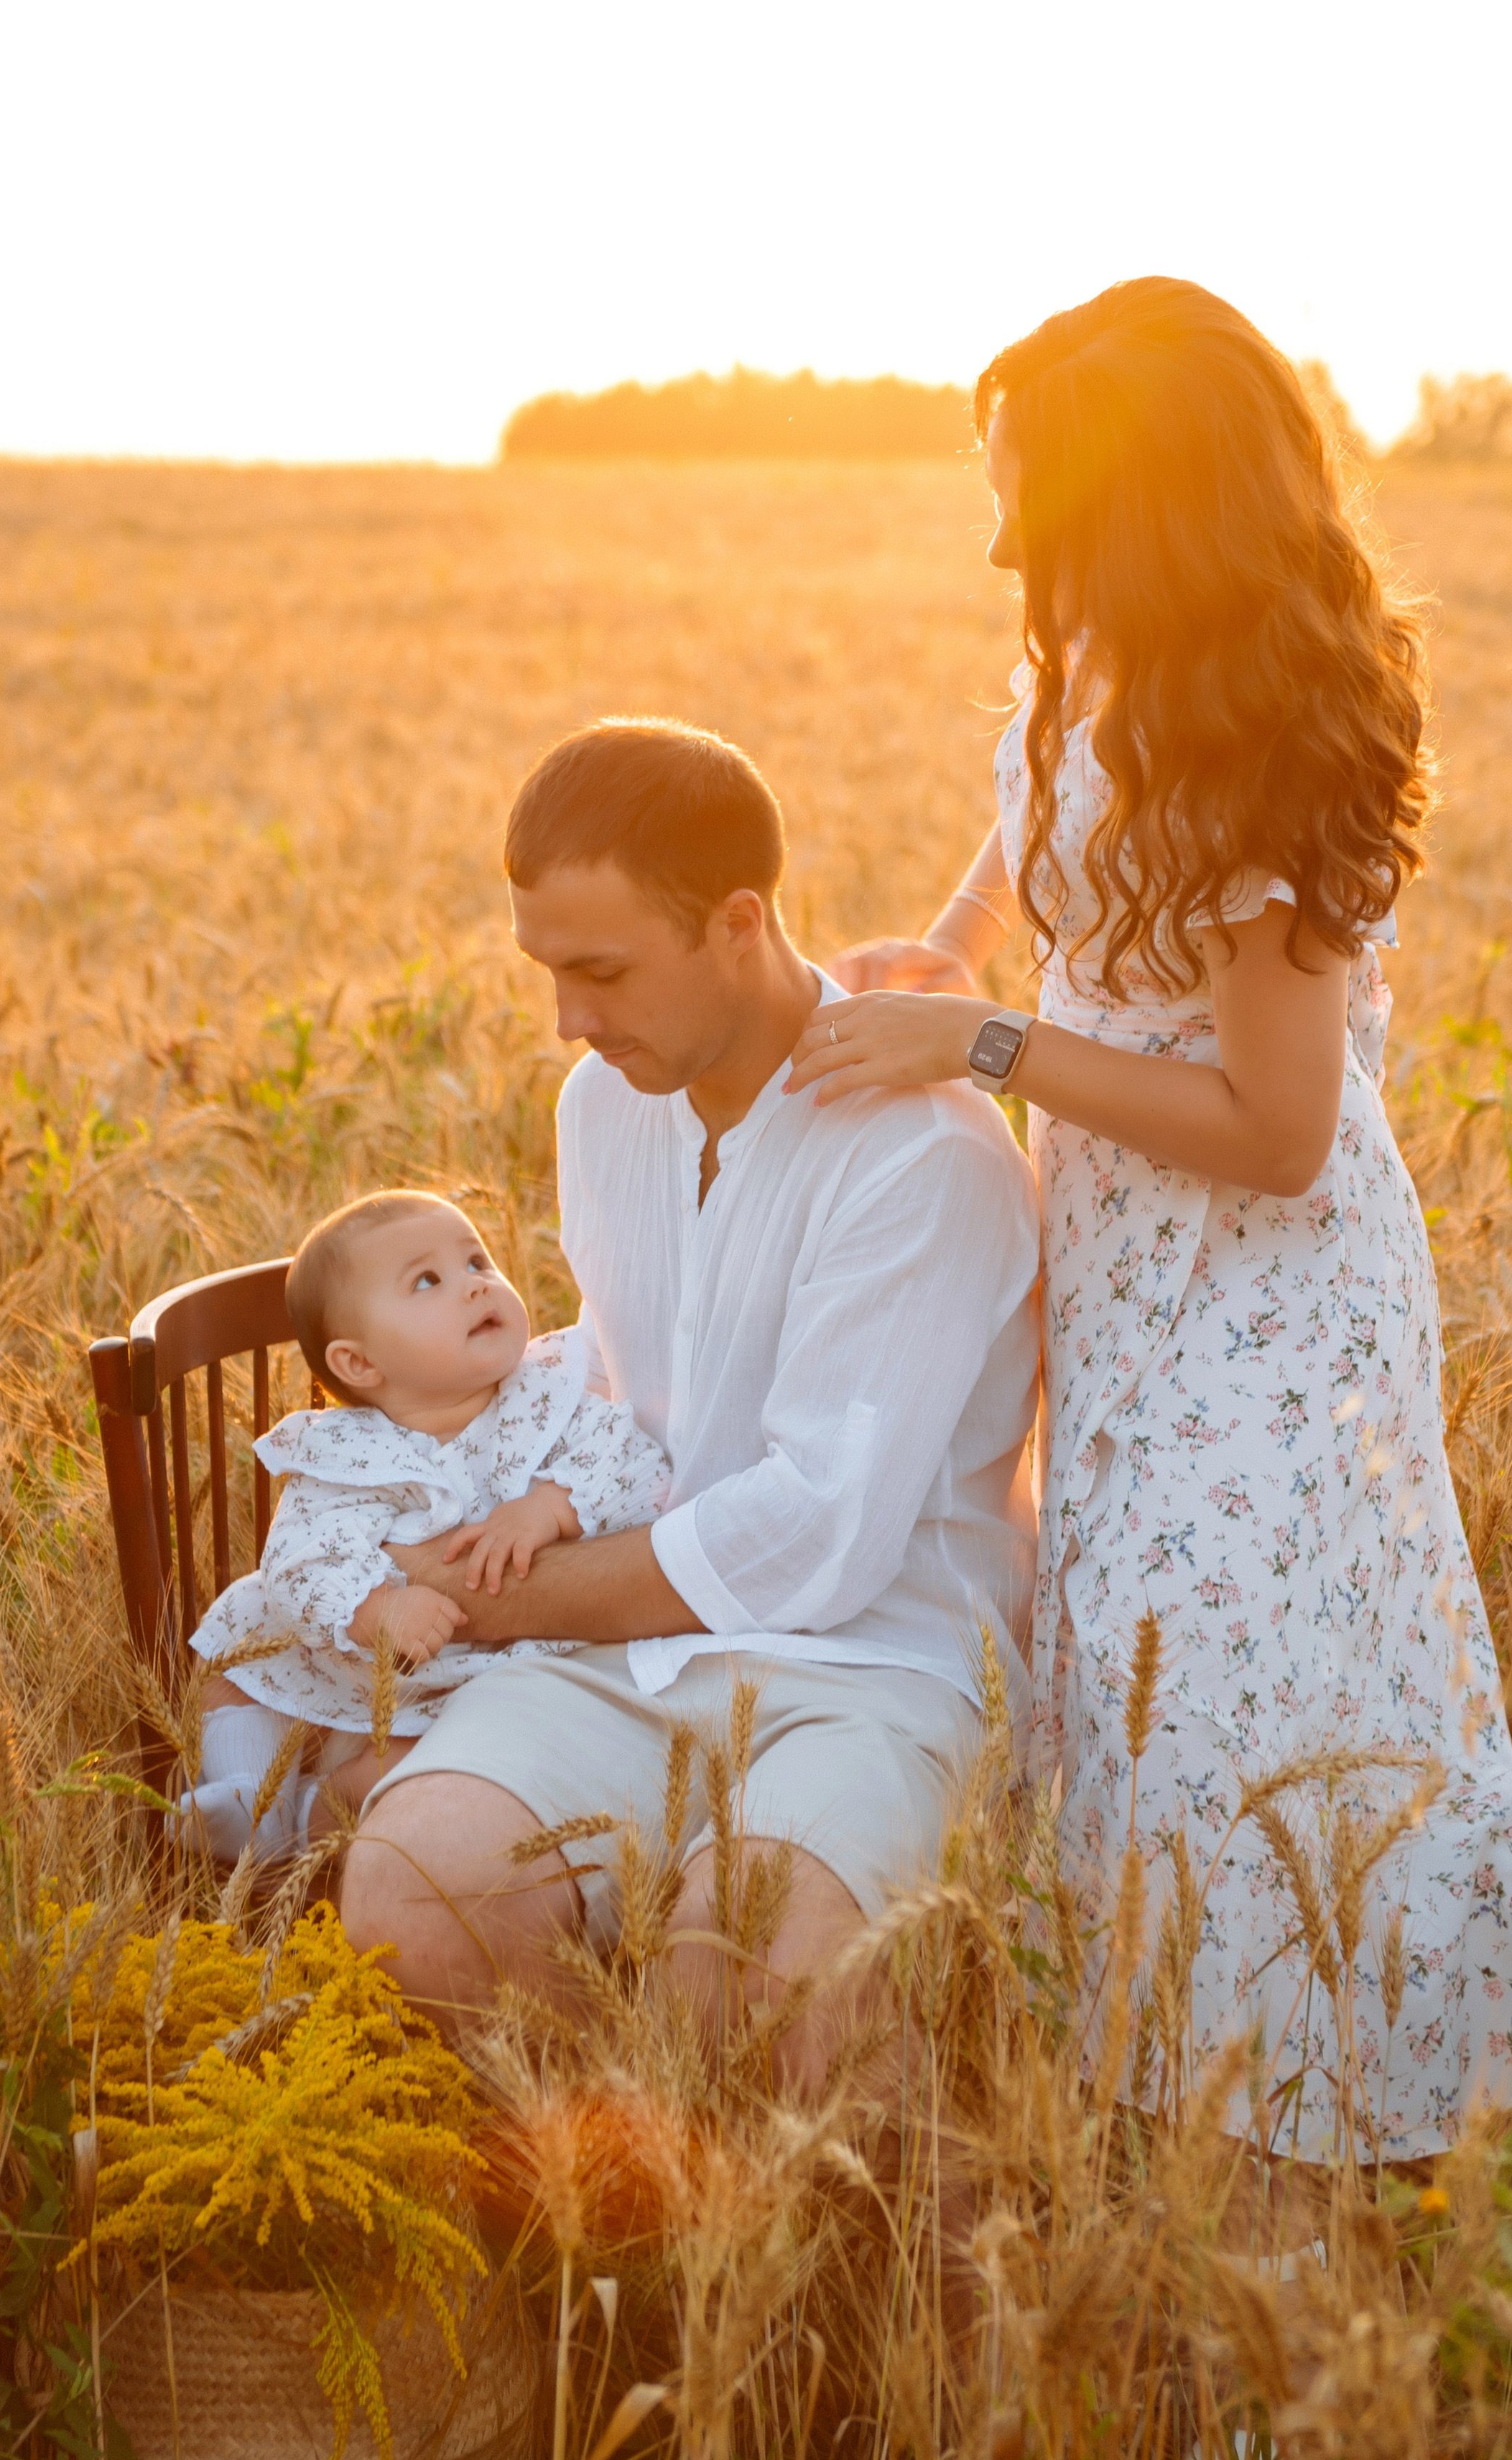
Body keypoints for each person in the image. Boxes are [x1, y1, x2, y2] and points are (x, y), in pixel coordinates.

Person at [788, 277, 1512, 2158]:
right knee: (1138, 1717)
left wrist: (986, 1039)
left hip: (1266, 1306)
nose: (996, 537)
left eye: (1024, 498)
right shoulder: (1085, 659)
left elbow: (1284, 1129)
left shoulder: (1262, 742)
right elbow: (1029, 837)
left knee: (1250, 1721)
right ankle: (1190, 2164)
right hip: (1124, 1274)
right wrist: (956, 947)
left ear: (1131, 509)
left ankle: (1328, 2169)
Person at [332, 718, 1042, 2085]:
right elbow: (618, 1371)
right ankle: (625, 2221)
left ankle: (792, 2253)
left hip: (873, 1666)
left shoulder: (924, 1150)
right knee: (414, 1898)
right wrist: (386, 1529)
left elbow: (817, 1532)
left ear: (736, 922)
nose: (570, 1024)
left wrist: (475, 1604)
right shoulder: (604, 1104)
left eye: (601, 972)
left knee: (753, 1966)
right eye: (549, 973)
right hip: (623, 1654)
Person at [180, 1190, 669, 1862]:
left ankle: (306, 1819)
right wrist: (377, 1605)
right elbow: (303, 1558)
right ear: (360, 1364)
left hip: (490, 1680)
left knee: (411, 1775)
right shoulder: (347, 1452)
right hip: (360, 1663)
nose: (474, 1286)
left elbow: (638, 1466)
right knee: (239, 1645)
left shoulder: (546, 1396)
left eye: (477, 1262)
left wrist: (549, 1507)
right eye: (428, 1281)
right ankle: (245, 1797)